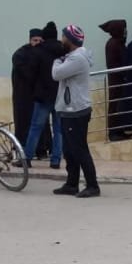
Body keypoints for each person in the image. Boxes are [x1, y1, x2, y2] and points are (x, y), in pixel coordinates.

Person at [52, 25, 100, 198]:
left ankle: (92, 185)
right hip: (69, 109)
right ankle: (71, 184)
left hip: (76, 110)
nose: (61, 40)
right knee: (69, 150)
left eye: (63, 37)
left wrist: (57, 59)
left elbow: (56, 74)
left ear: (71, 40)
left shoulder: (77, 58)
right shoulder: (72, 56)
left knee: (79, 149)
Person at [17, 22, 65, 169]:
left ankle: (27, 158)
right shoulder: (63, 50)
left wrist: (34, 89)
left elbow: (31, 73)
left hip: (43, 96)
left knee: (35, 128)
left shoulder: (39, 51)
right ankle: (56, 160)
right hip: (60, 95)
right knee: (59, 130)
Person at [11, 28, 44, 148]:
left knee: (39, 123)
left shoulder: (43, 53)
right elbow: (27, 73)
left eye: (40, 41)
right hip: (23, 95)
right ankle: (22, 148)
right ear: (30, 40)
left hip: (37, 96)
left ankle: (41, 148)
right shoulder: (20, 54)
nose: (38, 43)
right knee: (23, 122)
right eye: (35, 40)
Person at [99, 19, 127, 140]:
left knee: (119, 105)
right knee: (115, 105)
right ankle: (113, 132)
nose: (125, 31)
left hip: (118, 78)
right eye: (123, 28)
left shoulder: (117, 42)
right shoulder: (114, 44)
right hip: (116, 79)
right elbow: (115, 63)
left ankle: (119, 130)